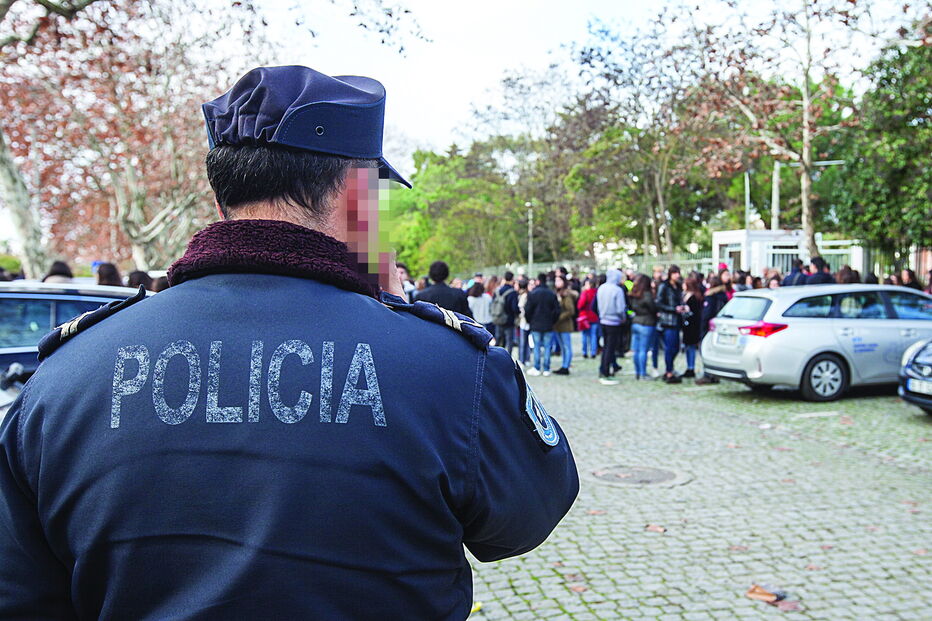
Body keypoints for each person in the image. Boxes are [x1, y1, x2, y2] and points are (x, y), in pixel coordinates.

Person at [0, 65, 578, 620]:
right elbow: (524, 519)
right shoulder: (450, 367)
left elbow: (22, 595)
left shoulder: (64, 379)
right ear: (357, 198)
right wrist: (394, 320)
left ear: (224, 200)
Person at [524, 272, 561, 377]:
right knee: (547, 346)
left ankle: (536, 367)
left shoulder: (533, 294)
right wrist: (553, 320)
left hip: (535, 324)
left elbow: (527, 310)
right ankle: (546, 368)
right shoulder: (551, 294)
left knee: (536, 347)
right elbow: (557, 310)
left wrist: (529, 320)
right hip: (548, 324)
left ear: (538, 281)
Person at [596, 268, 627, 385]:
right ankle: (605, 370)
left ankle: (604, 369)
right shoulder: (617, 290)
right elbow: (620, 308)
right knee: (610, 348)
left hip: (603, 320)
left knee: (606, 347)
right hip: (614, 322)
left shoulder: (601, 288)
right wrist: (623, 317)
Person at [656, 265, 686, 383]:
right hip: (668, 321)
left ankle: (671, 368)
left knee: (676, 347)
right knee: (670, 347)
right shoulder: (664, 286)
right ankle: (669, 370)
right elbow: (659, 303)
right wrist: (673, 309)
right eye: (674, 273)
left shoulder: (677, 286)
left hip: (677, 320)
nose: (677, 275)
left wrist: (682, 308)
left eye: (677, 273)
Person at [628, 274, 657, 381]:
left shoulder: (633, 294)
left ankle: (638, 372)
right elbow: (653, 308)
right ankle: (643, 373)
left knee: (636, 350)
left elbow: (630, 307)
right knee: (643, 350)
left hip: (636, 322)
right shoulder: (647, 295)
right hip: (647, 323)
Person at [552, 275, 578, 375]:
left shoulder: (566, 294)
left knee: (566, 346)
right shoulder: (557, 293)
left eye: (559, 280)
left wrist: (559, 317)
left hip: (565, 325)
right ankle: (564, 364)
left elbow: (570, 310)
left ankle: (566, 366)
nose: (557, 282)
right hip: (558, 325)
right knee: (563, 347)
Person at [491, 271, 519, 356]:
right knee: (509, 340)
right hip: (508, 320)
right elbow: (514, 308)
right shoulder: (512, 292)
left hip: (498, 318)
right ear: (512, 279)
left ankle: (496, 357)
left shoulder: (497, 291)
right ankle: (508, 357)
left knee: (498, 339)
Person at [681, 276, 703, 379]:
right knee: (688, 347)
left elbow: (695, 313)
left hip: (692, 326)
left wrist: (686, 311)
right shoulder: (687, 295)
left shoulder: (693, 297)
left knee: (691, 347)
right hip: (688, 325)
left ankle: (691, 367)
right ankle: (689, 367)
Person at [577, 278, 599, 359]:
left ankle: (585, 351)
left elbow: (580, 305)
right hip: (594, 316)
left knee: (585, 335)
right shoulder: (597, 293)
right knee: (593, 335)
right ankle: (593, 352)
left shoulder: (585, 293)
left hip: (585, 316)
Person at [517, 277, 532, 366]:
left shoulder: (523, 296)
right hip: (527, 321)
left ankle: (522, 359)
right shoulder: (528, 295)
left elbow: (521, 308)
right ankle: (527, 359)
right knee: (527, 342)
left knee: (523, 342)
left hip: (524, 321)